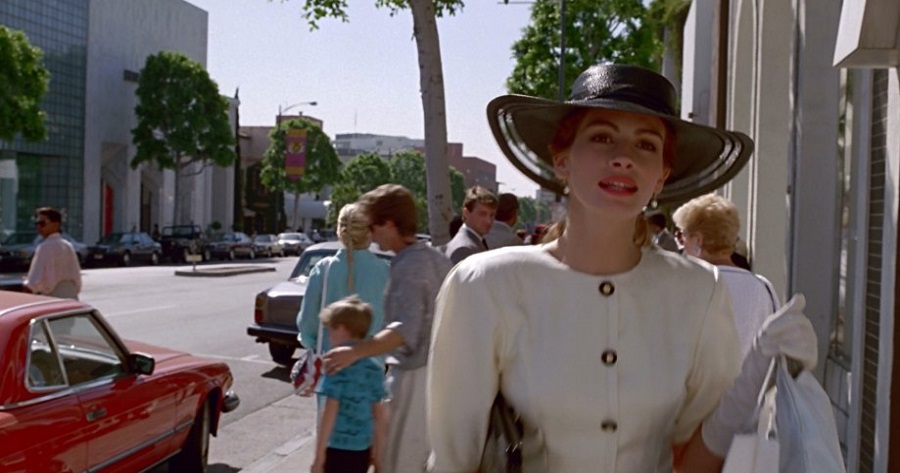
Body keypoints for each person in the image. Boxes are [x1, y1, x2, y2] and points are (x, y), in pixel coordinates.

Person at [428, 64, 818, 472]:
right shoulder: (486, 285)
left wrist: (758, 374)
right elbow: (453, 461)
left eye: (646, 144)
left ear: (661, 176)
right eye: (601, 137)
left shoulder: (700, 290)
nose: (623, 158)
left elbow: (693, 462)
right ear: (562, 160)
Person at [324, 184, 452, 473]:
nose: (370, 235)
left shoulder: (410, 266)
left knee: (400, 462)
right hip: (436, 375)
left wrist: (355, 351)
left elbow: (404, 329)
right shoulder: (434, 258)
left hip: (414, 376)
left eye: (373, 226)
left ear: (390, 224)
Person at [296, 203, 390, 417]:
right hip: (371, 371)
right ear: (370, 232)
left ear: (339, 231)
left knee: (330, 432)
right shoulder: (384, 272)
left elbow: (307, 324)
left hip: (331, 371)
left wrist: (314, 344)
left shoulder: (323, 269)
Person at [672, 193, 779, 357]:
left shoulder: (687, 286)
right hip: (754, 374)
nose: (682, 245)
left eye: (684, 236)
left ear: (698, 240)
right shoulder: (764, 287)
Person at [311, 295, 387, 473]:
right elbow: (379, 415)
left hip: (337, 447)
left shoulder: (337, 366)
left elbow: (329, 413)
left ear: (342, 329)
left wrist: (319, 456)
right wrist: (379, 455)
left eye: (330, 330)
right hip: (363, 448)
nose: (329, 336)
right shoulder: (373, 369)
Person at [24, 207, 82, 300]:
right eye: (37, 224)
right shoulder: (68, 246)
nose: (38, 227)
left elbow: (35, 281)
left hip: (52, 298)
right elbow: (77, 277)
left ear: (56, 224)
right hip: (72, 297)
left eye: (42, 223)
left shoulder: (45, 247)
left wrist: (26, 286)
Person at [444, 186, 498, 264]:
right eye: (482, 214)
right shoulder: (463, 249)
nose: (488, 221)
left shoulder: (474, 242)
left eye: (492, 215)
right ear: (466, 213)